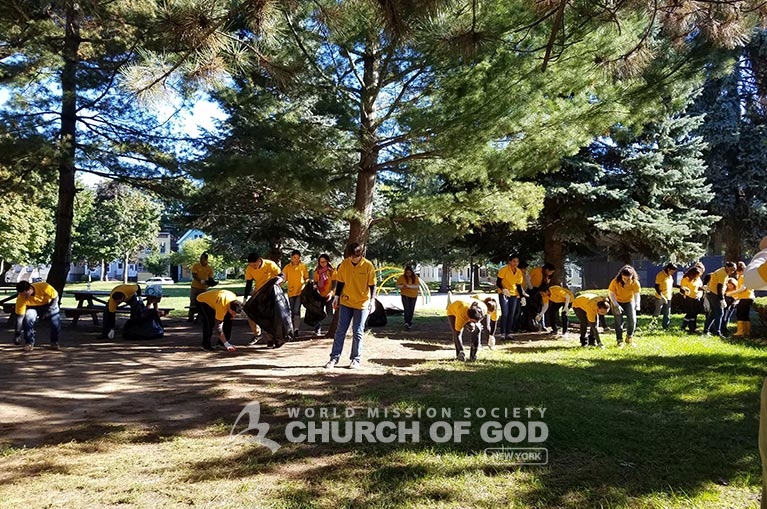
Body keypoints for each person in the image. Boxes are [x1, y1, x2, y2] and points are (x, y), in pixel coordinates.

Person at [324, 243, 376, 370]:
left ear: (360, 255)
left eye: (356, 257)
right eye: (352, 256)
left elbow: (372, 285)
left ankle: (355, 359)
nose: (354, 259)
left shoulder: (368, 265)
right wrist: (336, 297)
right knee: (340, 330)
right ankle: (334, 358)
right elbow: (340, 282)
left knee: (358, 332)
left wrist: (372, 301)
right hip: (346, 302)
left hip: (362, 303)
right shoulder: (344, 265)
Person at [244, 252, 284, 344]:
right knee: (250, 312)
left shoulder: (270, 264)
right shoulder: (249, 269)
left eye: (254, 264)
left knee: (269, 315)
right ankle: (257, 334)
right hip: (259, 292)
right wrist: (245, 298)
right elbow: (249, 283)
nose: (253, 266)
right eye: (250, 265)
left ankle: (271, 338)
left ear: (259, 260)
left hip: (271, 292)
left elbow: (281, 275)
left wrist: (278, 281)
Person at [14, 280, 61, 351]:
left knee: (55, 321)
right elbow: (20, 317)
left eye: (26, 294)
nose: (24, 296)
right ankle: (29, 343)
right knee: (28, 318)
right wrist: (17, 333)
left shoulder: (44, 286)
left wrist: (49, 310)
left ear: (30, 289)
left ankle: (54, 342)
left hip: (49, 304)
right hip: (33, 307)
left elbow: (55, 297)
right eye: (22, 294)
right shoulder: (21, 297)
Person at [608, 265, 641, 348]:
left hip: (629, 301)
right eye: (624, 278)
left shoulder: (635, 282)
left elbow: (637, 294)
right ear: (621, 276)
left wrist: (637, 304)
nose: (626, 281)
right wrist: (616, 305)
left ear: (632, 276)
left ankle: (629, 338)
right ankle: (619, 341)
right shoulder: (615, 281)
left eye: (628, 279)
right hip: (616, 301)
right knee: (618, 322)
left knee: (632, 320)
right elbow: (611, 294)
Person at [496, 254, 527, 340]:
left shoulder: (519, 272)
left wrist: (522, 297)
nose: (515, 263)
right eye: (513, 261)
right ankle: (502, 333)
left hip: (514, 294)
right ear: (510, 261)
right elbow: (498, 282)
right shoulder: (504, 270)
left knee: (511, 314)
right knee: (505, 313)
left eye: (517, 261)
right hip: (504, 293)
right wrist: (503, 289)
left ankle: (508, 333)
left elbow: (519, 286)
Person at [703, 261, 737, 337]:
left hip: (711, 293)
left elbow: (709, 276)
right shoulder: (723, 274)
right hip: (715, 294)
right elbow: (719, 288)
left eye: (734, 270)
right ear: (727, 267)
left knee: (713, 313)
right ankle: (717, 332)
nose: (733, 271)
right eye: (732, 269)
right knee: (720, 313)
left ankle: (706, 331)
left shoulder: (722, 270)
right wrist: (722, 299)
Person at [282, 250, 309, 333]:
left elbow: (306, 278)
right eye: (294, 258)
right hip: (291, 291)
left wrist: (307, 283)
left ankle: (296, 329)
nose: (296, 259)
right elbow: (283, 278)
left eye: (298, 258)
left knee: (296, 310)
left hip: (300, 291)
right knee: (291, 310)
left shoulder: (303, 266)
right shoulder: (287, 267)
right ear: (291, 258)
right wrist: (278, 286)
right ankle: (291, 328)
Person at [726, 261, 755, 337]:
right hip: (749, 297)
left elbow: (743, 289)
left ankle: (740, 331)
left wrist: (731, 293)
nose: (737, 274)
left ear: (739, 271)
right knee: (745, 315)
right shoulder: (748, 277)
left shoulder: (742, 277)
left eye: (737, 272)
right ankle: (746, 331)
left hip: (745, 298)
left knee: (740, 314)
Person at [312, 254, 336, 336]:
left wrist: (331, 292)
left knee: (330, 312)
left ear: (327, 261)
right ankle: (317, 329)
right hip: (319, 294)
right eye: (320, 262)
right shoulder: (317, 271)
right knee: (319, 313)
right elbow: (315, 281)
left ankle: (332, 329)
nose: (322, 263)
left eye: (324, 262)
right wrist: (315, 285)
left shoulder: (332, 271)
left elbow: (334, 283)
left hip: (329, 294)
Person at [679, 264, 705, 334]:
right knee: (690, 313)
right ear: (693, 274)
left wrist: (702, 290)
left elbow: (698, 287)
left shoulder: (698, 279)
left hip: (696, 297)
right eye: (697, 275)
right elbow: (682, 289)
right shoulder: (685, 279)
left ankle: (692, 327)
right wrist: (685, 293)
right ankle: (684, 326)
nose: (698, 276)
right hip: (688, 298)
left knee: (694, 313)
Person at [652, 263, 679, 330]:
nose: (673, 273)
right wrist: (662, 296)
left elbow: (673, 285)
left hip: (668, 297)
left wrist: (681, 287)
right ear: (668, 269)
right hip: (660, 297)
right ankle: (653, 325)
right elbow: (656, 287)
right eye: (672, 271)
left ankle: (665, 327)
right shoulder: (660, 275)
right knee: (657, 312)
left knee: (667, 313)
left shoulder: (670, 276)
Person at [188, 252, 214, 322]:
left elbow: (210, 277)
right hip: (195, 287)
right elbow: (194, 275)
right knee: (193, 301)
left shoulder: (209, 268)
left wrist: (211, 283)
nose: (200, 260)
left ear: (206, 260)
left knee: (202, 303)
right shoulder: (196, 266)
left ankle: (200, 317)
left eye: (202, 258)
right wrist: (200, 280)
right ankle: (191, 317)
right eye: (200, 258)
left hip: (203, 288)